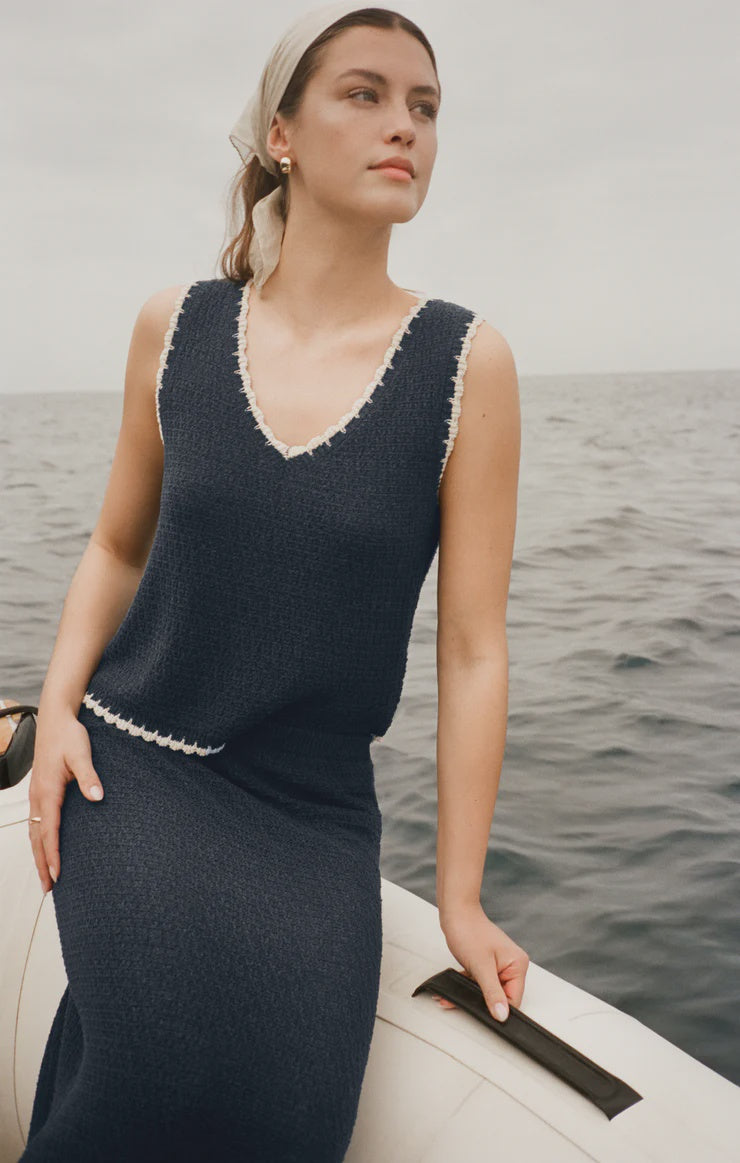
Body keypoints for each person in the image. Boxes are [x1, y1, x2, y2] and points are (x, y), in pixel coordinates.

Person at [21, 2, 527, 1159]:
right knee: (157, 1056)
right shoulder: (176, 328)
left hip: (313, 812)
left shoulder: (467, 364)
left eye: (424, 106)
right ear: (281, 135)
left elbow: (471, 650)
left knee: (293, 1115)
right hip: (139, 759)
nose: (404, 126)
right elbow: (115, 545)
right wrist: (55, 709)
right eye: (365, 93)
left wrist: (458, 897)